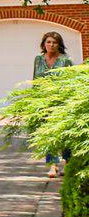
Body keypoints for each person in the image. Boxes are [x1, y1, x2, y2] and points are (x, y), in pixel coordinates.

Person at [34, 31, 75, 178]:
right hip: (44, 103)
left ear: (59, 45)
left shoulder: (66, 60)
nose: (51, 45)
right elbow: (35, 81)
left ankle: (68, 163)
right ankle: (53, 165)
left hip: (63, 102)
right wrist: (34, 102)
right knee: (48, 134)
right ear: (44, 44)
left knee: (64, 135)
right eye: (49, 42)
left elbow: (73, 81)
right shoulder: (38, 59)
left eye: (54, 42)